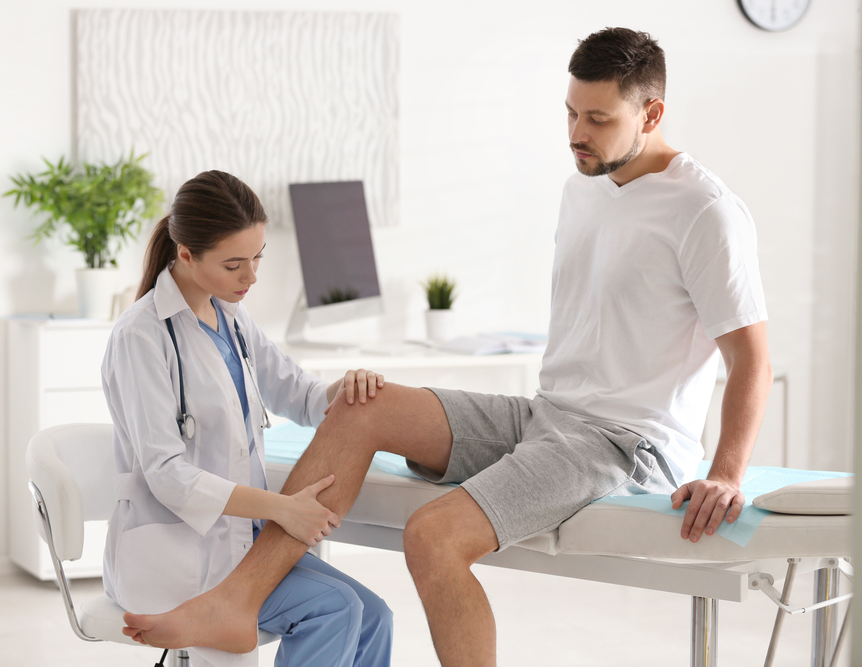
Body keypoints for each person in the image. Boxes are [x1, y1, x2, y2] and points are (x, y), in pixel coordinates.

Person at [121, 28, 773, 666]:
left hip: (627, 442)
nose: (576, 133)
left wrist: (726, 472)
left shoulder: (705, 211)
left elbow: (751, 356)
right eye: (570, 113)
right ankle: (238, 599)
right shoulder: (584, 187)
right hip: (548, 414)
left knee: (432, 534)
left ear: (651, 113)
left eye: (597, 119)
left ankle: (237, 596)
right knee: (361, 408)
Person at [101, 170, 393, 667]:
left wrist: (345, 389)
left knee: (375, 615)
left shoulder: (231, 318)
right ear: (186, 253)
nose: (251, 277)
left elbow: (298, 394)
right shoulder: (142, 337)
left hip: (241, 544)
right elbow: (167, 474)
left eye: (257, 258)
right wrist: (281, 508)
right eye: (234, 264)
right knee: (335, 611)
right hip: (179, 553)